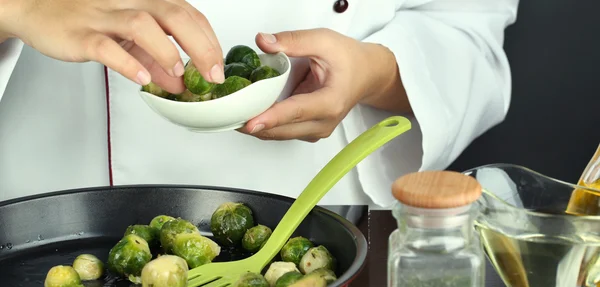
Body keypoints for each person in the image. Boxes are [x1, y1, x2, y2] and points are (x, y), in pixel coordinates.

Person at [0, 0, 519, 211]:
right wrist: (18, 8)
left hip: (319, 224)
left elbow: (466, 24)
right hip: (45, 216)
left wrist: (376, 70)